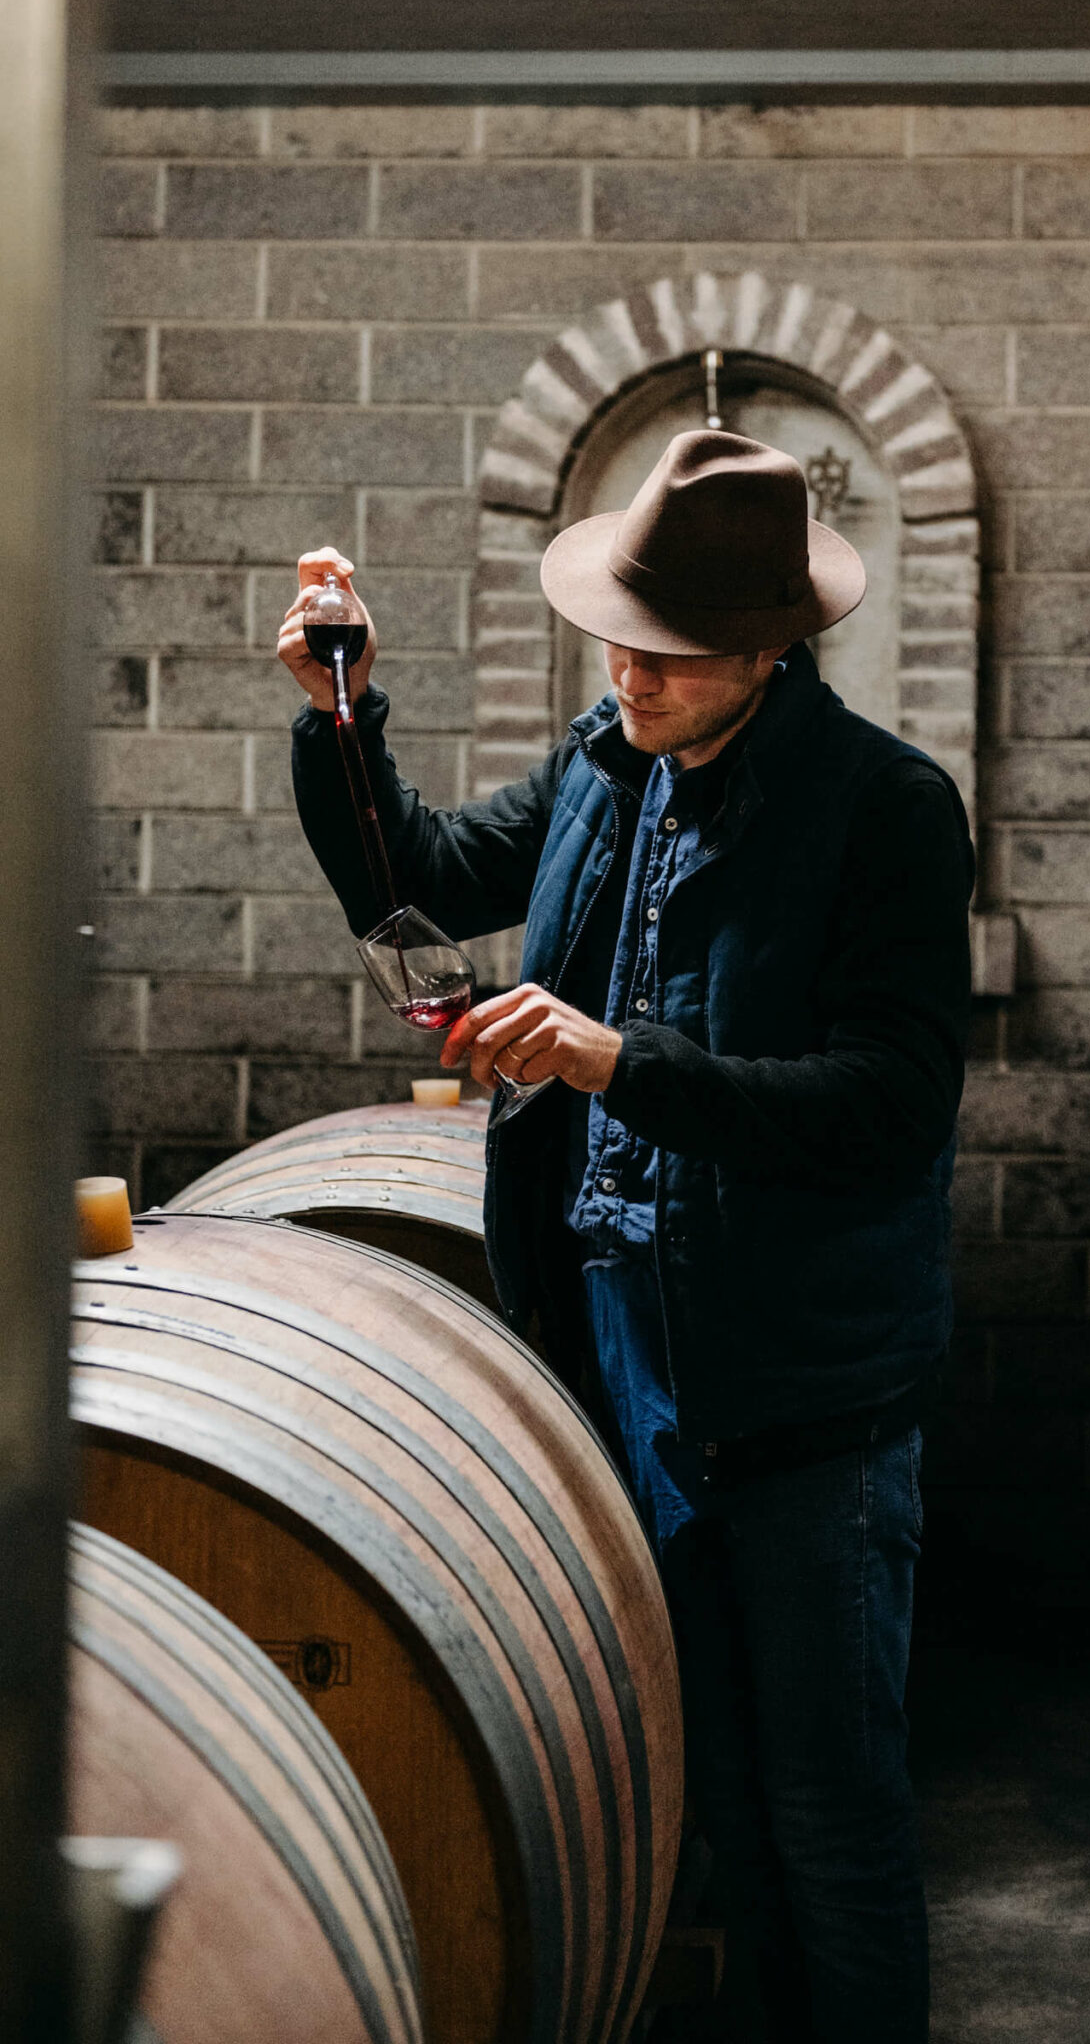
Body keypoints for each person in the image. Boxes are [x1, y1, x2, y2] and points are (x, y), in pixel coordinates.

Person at [279, 427, 974, 2044]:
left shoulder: (883, 808)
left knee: (834, 1816)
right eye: (619, 636)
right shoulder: (613, 759)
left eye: (663, 655)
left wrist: (611, 1057)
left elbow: (885, 1102)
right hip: (626, 1359)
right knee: (718, 1801)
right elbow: (429, 879)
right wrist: (343, 714)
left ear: (767, 650)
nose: (627, 672)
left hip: (802, 1393)